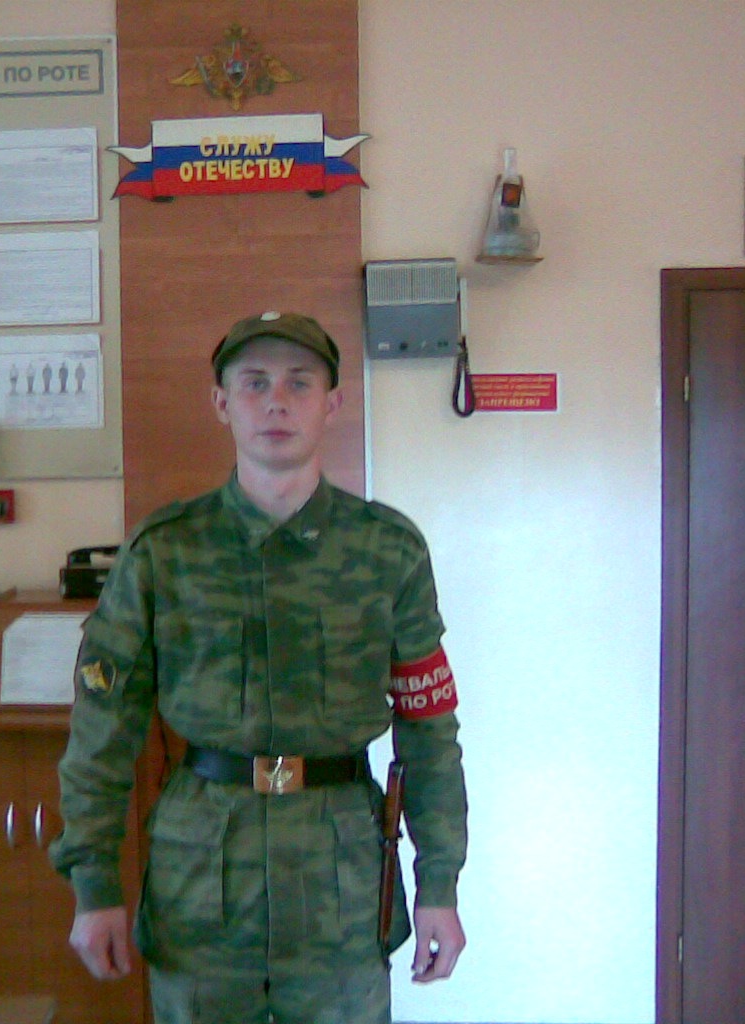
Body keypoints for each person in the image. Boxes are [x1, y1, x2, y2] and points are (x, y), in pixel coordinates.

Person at [49, 310, 467, 1024]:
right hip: (199, 878)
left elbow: (429, 732)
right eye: (254, 383)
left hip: (339, 882)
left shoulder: (388, 551)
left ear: (333, 403)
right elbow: (102, 733)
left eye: (300, 383)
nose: (277, 401)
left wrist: (439, 886)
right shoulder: (165, 551)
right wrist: (93, 884)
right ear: (222, 403)